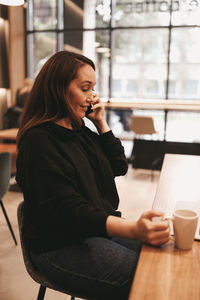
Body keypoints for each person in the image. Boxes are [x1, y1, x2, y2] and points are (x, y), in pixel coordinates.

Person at [16, 51, 170, 300]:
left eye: (93, 88)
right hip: (58, 246)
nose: (93, 97)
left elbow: (119, 165)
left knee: (164, 258)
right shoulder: (39, 142)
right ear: (58, 89)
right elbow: (70, 211)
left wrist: (101, 123)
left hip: (90, 229)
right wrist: (133, 229)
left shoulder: (80, 129)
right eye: (85, 88)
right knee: (151, 278)